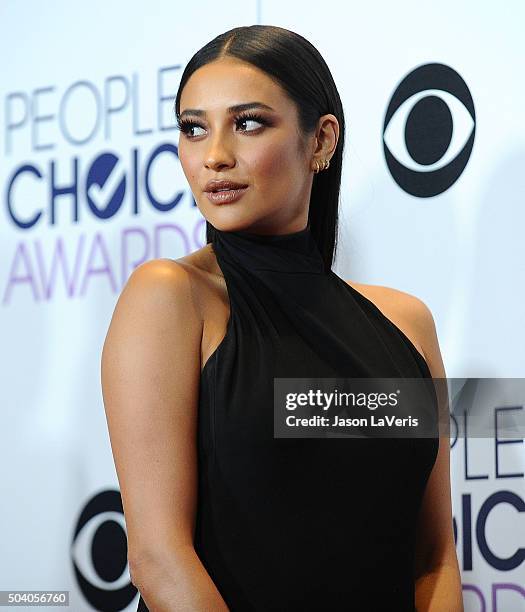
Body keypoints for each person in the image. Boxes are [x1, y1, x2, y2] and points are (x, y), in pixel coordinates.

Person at [101, 25, 463, 612]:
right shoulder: (169, 296)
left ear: (321, 139)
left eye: (247, 123)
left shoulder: (406, 323)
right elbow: (157, 557)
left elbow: (435, 557)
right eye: (194, 128)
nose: (215, 156)